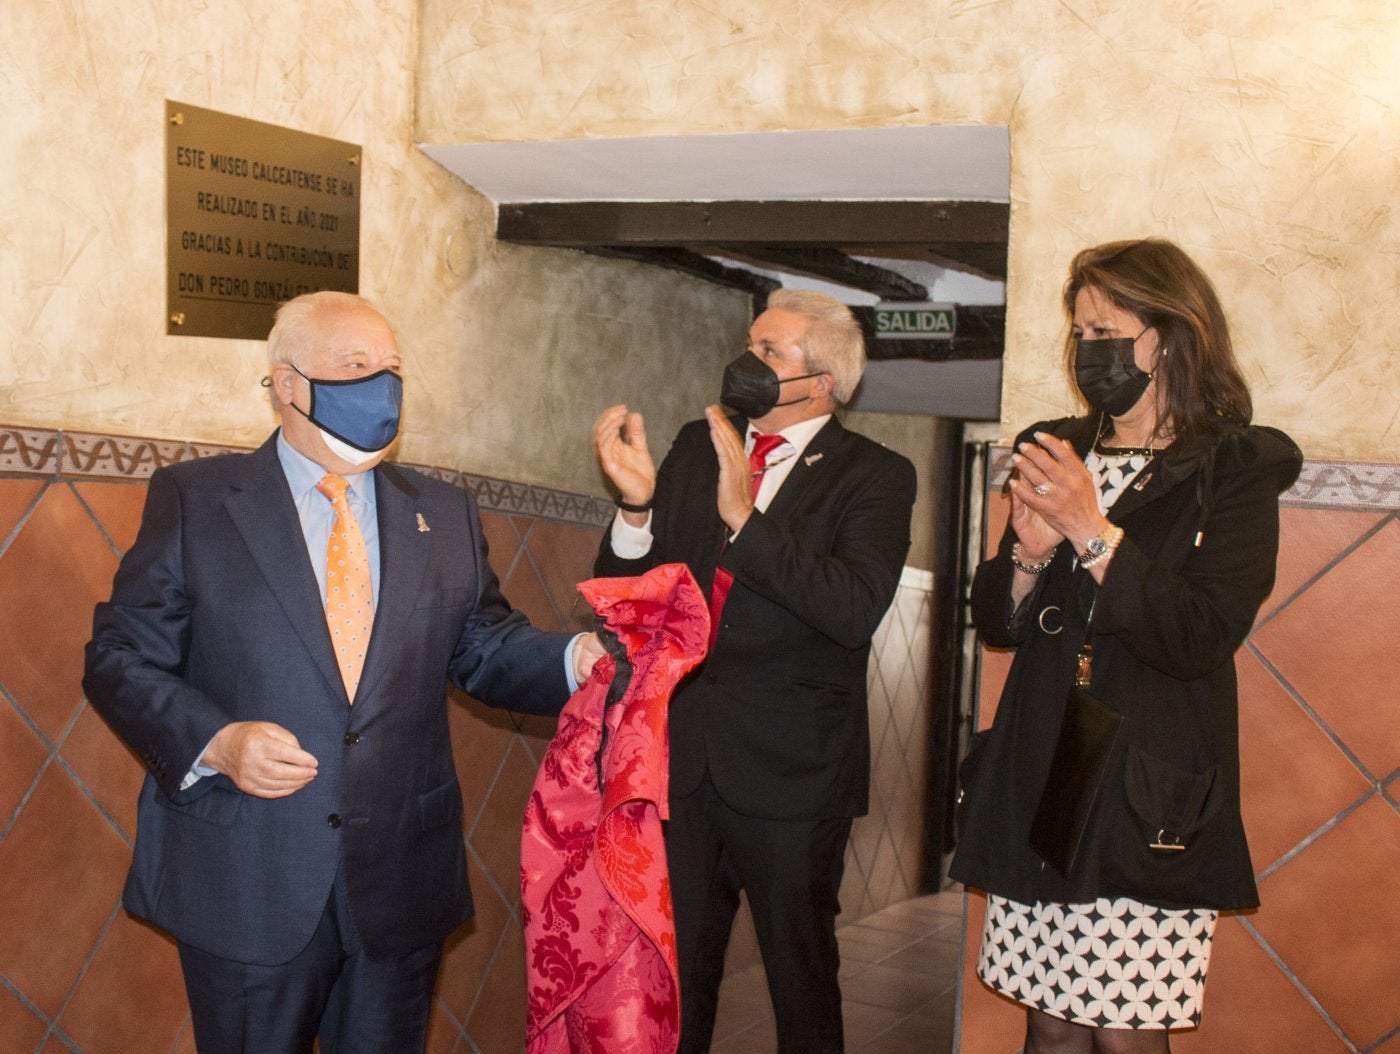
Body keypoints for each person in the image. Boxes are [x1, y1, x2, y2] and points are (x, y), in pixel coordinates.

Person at [83, 290, 603, 1054]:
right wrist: (216, 741)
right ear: (288, 383)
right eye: (356, 366)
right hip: (250, 876)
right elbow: (119, 658)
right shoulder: (197, 501)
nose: (382, 386)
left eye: (392, 368)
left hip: (398, 878)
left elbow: (484, 646)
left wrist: (574, 658)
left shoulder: (443, 512)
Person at [950, 239, 1303, 1053]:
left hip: (1145, 787)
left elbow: (1201, 634)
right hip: (1044, 771)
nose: (1089, 353)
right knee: (1050, 1028)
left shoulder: (1235, 467)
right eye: (1079, 332)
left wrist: (1091, 530)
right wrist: (1030, 556)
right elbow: (999, 626)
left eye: (1107, 330)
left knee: (1125, 1035)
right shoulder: (1057, 446)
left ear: (1172, 336)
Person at [591, 289, 917, 1054]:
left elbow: (852, 607)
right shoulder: (695, 445)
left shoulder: (876, 475)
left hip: (795, 773)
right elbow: (632, 597)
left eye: (771, 352)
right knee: (677, 979)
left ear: (822, 381)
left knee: (801, 982)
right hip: (687, 761)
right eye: (751, 344)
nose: (748, 362)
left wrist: (746, 519)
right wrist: (636, 511)